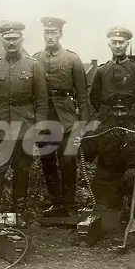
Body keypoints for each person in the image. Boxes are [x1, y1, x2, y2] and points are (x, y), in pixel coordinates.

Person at [0, 21, 48, 233]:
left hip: (25, 127)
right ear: (2, 41)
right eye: (8, 38)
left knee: (22, 171)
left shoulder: (33, 66)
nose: (11, 42)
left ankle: (20, 214)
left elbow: (41, 101)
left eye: (15, 38)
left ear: (21, 40)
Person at [85, 27, 135, 214]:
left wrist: (133, 117)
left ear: (127, 44)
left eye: (121, 42)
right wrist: (108, 116)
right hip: (108, 124)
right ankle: (108, 207)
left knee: (133, 164)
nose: (118, 46)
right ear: (109, 44)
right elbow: (95, 98)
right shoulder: (101, 70)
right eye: (114, 42)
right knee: (106, 164)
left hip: (131, 124)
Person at [32, 17, 90, 217]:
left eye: (53, 33)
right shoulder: (35, 59)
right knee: (47, 161)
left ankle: (70, 205)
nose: (50, 36)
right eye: (47, 33)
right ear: (43, 34)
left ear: (60, 34)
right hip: (44, 118)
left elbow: (82, 95)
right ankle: (56, 203)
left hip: (67, 119)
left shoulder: (72, 59)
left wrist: (82, 123)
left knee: (68, 160)